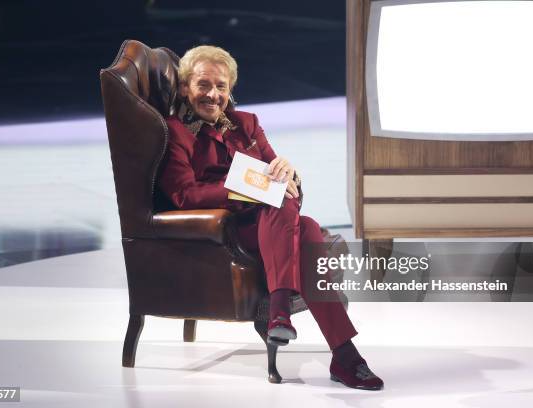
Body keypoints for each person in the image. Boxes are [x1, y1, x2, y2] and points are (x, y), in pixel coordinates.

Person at [158, 45, 383, 391]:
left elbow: (289, 190)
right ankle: (342, 354)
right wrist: (240, 191)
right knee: (295, 220)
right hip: (225, 229)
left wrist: (289, 172)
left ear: (230, 89)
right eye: (203, 85)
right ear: (186, 87)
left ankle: (308, 331)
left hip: (271, 223)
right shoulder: (176, 132)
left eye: (221, 86)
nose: (213, 95)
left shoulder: (247, 124)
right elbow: (183, 195)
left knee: (299, 220)